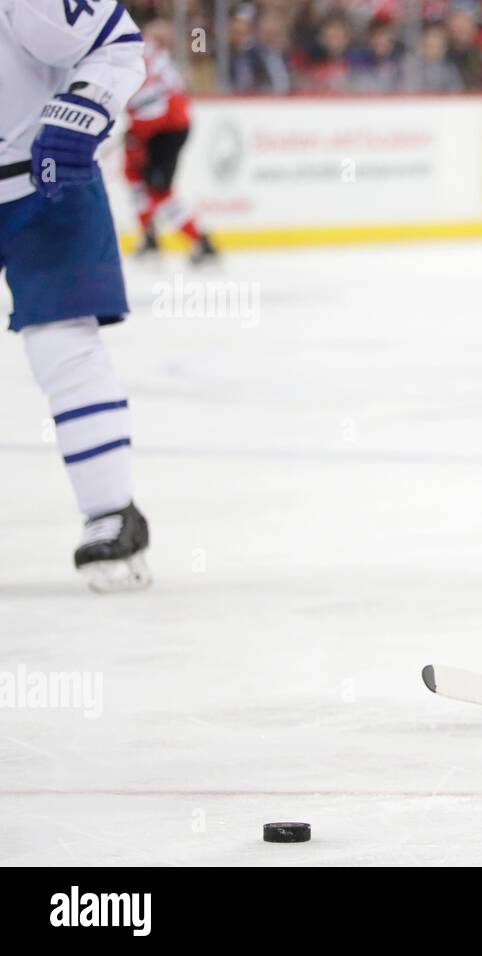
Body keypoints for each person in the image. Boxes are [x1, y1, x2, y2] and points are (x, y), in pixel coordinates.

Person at [0, 0, 152, 591]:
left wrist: (83, 107)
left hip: (45, 184)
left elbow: (116, 44)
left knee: (61, 346)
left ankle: (112, 511)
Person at [125, 18, 218, 264]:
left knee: (158, 190)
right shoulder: (149, 49)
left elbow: (151, 101)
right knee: (134, 176)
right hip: (161, 126)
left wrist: (134, 131)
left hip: (163, 129)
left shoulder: (134, 49)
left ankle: (200, 241)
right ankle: (150, 237)